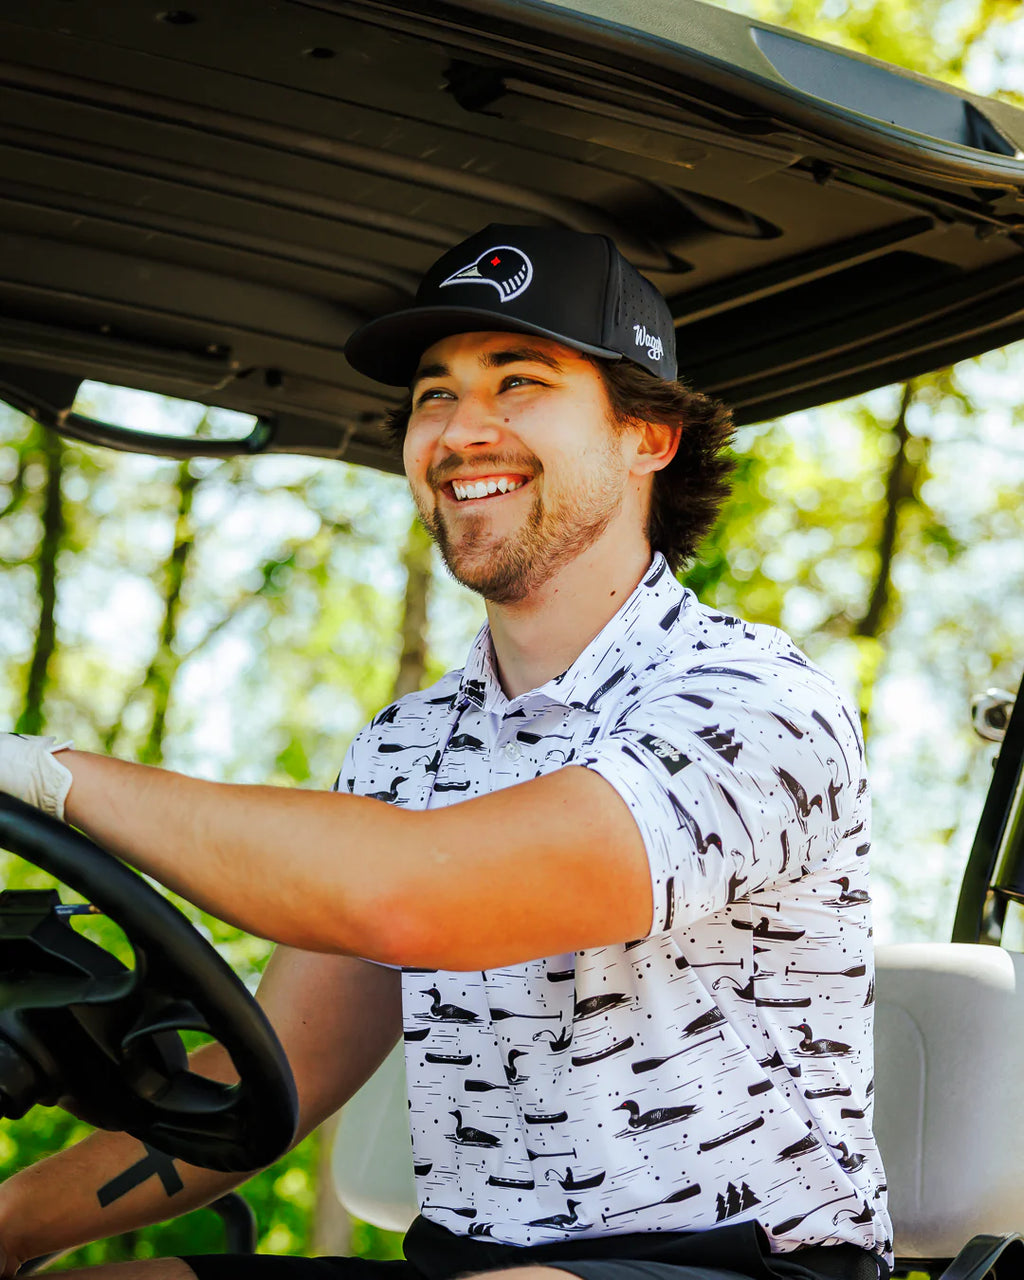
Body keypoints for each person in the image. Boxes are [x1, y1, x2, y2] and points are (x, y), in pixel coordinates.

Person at [0, 225, 890, 1280]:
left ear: (648, 434)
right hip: (467, 1261)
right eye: (435, 395)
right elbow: (279, 1071)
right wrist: (13, 1222)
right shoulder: (408, 743)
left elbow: (414, 895)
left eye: (518, 382)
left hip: (740, 1263)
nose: (464, 430)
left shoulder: (750, 702)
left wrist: (51, 774)